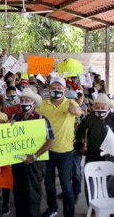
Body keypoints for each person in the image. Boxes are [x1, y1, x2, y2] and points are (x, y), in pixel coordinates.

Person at [40, 77, 82, 217]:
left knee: (66, 185)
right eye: (53, 88)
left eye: (59, 88)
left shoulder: (71, 102)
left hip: (66, 151)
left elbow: (79, 112)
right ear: (49, 89)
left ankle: (69, 213)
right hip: (48, 149)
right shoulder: (43, 104)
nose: (56, 91)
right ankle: (52, 208)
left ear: (65, 90)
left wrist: (75, 110)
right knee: (49, 183)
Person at [11, 88, 55, 217]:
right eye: (22, 100)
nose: (24, 102)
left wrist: (35, 155)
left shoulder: (42, 119)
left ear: (34, 103)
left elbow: (50, 140)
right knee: (18, 193)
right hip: (18, 161)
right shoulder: (15, 118)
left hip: (35, 162)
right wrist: (7, 125)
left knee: (33, 194)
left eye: (27, 100)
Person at [76, 94, 114, 203]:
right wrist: (80, 146)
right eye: (97, 107)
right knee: (91, 182)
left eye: (103, 108)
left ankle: (112, 207)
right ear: (93, 108)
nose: (100, 110)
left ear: (109, 108)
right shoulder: (88, 118)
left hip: (111, 156)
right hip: (92, 155)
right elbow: (80, 132)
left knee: (111, 182)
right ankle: (93, 208)